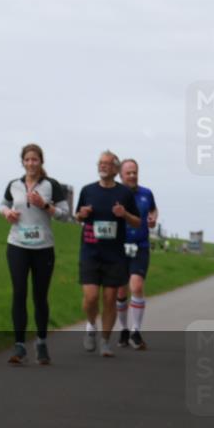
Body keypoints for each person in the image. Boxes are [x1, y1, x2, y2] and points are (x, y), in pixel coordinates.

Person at [0, 144, 70, 365]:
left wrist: (46, 206)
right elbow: (2, 204)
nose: (31, 163)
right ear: (22, 162)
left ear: (41, 162)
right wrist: (7, 213)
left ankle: (41, 342)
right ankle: (19, 345)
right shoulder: (14, 185)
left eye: (35, 160)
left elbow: (65, 215)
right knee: (19, 293)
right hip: (17, 245)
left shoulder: (52, 185)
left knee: (40, 296)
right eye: (27, 160)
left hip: (43, 249)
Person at [74, 151, 141, 358]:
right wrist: (81, 215)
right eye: (100, 163)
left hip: (114, 255)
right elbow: (77, 216)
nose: (102, 166)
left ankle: (104, 341)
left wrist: (125, 214)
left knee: (110, 298)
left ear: (115, 169)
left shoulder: (125, 194)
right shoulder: (87, 190)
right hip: (90, 252)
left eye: (107, 164)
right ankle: (91, 325)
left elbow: (137, 222)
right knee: (91, 297)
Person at [115, 159, 157, 350]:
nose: (132, 176)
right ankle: (123, 329)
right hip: (119, 246)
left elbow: (153, 209)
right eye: (128, 173)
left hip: (140, 245)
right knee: (121, 291)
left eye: (135, 172)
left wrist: (153, 217)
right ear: (121, 175)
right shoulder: (115, 194)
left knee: (137, 285)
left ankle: (135, 331)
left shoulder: (146, 193)